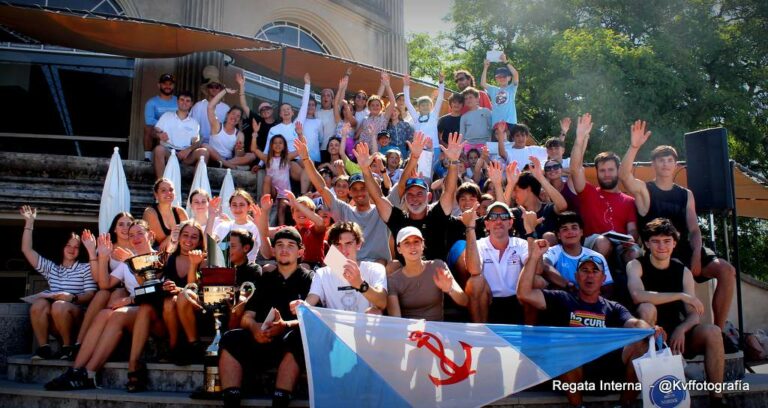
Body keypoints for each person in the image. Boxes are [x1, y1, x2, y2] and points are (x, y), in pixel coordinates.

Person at [517, 236, 659, 408]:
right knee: (564, 347)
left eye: (595, 271)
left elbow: (635, 324)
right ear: (576, 276)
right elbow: (524, 294)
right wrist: (533, 257)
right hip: (573, 373)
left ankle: (624, 405)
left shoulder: (613, 307)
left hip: (609, 374)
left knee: (642, 343)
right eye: (584, 270)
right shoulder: (562, 299)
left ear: (603, 278)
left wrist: (651, 330)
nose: (589, 275)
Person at [619, 120, 735, 330]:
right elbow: (624, 176)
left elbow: (694, 229)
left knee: (726, 270)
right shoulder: (645, 190)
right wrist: (634, 146)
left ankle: (719, 330)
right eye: (660, 160)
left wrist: (697, 253)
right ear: (653, 165)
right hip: (658, 252)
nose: (665, 164)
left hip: (684, 250)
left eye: (669, 160)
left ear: (676, 165)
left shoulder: (686, 194)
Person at [45, 221, 179, 390]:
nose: (136, 238)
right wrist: (103, 257)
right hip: (134, 313)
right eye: (131, 235)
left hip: (156, 315)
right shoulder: (127, 261)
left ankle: (89, 372)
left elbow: (155, 289)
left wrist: (130, 297)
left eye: (140, 233)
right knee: (104, 314)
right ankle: (76, 370)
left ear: (150, 235)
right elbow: (105, 284)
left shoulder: (161, 257)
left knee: (117, 314)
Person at [627, 218, 728, 407]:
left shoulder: (683, 271)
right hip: (648, 338)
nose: (661, 246)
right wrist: (681, 295)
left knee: (713, 331)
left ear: (674, 243)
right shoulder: (636, 265)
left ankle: (717, 400)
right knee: (647, 308)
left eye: (667, 241)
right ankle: (656, 364)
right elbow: (637, 296)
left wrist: (682, 329)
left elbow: (694, 313)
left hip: (676, 337)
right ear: (647, 243)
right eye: (656, 241)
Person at [217, 227, 312, 408]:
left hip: (289, 343)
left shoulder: (310, 279)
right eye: (279, 245)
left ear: (300, 252)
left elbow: (313, 319)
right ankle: (231, 400)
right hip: (262, 338)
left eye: (290, 245)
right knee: (230, 338)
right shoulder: (265, 280)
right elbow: (247, 317)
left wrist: (284, 325)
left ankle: (280, 400)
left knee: (298, 339)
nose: (284, 249)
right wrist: (255, 328)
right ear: (273, 251)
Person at [357, 132, 462, 262]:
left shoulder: (437, 215)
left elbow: (449, 191)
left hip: (436, 272)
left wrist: (453, 161)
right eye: (410, 194)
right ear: (404, 198)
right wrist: (365, 170)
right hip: (404, 273)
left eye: (419, 194)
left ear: (429, 197)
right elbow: (378, 197)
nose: (414, 198)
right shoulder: (398, 219)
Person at [127, 221, 205, 390]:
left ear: (200, 241)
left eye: (194, 237)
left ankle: (194, 345)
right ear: (179, 237)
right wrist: (135, 268)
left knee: (183, 296)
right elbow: (147, 282)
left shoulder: (203, 259)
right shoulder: (168, 258)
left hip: (194, 311)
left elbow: (194, 289)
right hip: (170, 310)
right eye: (185, 235)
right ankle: (135, 364)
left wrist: (193, 265)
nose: (188, 240)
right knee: (152, 307)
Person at [297, 135, 392, 264]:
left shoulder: (383, 210)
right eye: (355, 189)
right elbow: (322, 188)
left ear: (369, 189)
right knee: (330, 259)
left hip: (376, 267)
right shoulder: (344, 210)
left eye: (363, 188)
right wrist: (306, 158)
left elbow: (393, 189)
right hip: (348, 266)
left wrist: (414, 157)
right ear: (350, 192)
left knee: (384, 263)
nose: (359, 192)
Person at [20, 206, 97, 360]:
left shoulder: (86, 268)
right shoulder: (52, 268)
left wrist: (72, 298)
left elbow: (91, 295)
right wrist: (29, 223)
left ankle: (68, 348)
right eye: (68, 245)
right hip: (56, 321)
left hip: (76, 319)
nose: (72, 249)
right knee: (38, 304)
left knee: (59, 305)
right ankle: (44, 348)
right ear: (62, 247)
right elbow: (27, 250)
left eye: (76, 247)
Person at [569, 113, 640, 264]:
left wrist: (631, 239)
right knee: (603, 242)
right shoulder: (588, 192)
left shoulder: (629, 201)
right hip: (594, 244)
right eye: (602, 170)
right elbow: (575, 169)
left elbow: (632, 229)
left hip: (621, 245)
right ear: (597, 172)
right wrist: (579, 139)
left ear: (618, 170)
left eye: (610, 170)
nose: (607, 174)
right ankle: (599, 279)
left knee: (634, 252)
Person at [465, 202, 541, 324]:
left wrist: (530, 230)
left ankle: (529, 332)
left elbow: (538, 269)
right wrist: (470, 228)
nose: (499, 221)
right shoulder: (479, 244)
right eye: (493, 217)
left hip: (518, 300)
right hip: (488, 300)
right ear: (487, 224)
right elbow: (474, 270)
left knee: (536, 279)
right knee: (474, 282)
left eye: (504, 217)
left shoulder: (521, 244)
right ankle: (480, 331)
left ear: (510, 223)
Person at [73, 212, 135, 358]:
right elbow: (98, 279)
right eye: (121, 224)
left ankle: (103, 344)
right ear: (114, 229)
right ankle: (79, 343)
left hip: (131, 290)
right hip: (109, 286)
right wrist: (93, 252)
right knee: (102, 294)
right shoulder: (107, 246)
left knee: (116, 293)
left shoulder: (138, 244)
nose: (125, 228)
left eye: (129, 224)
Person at [291, 221, 387, 314]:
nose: (343, 249)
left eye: (348, 243)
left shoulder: (375, 269)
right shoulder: (322, 273)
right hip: (333, 325)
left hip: (365, 324)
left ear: (358, 244)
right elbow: (311, 299)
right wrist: (302, 305)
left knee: (376, 312)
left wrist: (359, 283)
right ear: (331, 247)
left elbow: (382, 302)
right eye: (337, 244)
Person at [387, 227, 470, 321]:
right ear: (399, 249)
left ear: (423, 245)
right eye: (406, 243)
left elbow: (465, 301)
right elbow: (396, 320)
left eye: (416, 241)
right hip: (408, 329)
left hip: (436, 328)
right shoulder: (393, 280)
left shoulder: (438, 266)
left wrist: (450, 289)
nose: (412, 246)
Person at [542, 212, 614, 297]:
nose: (570, 232)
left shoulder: (597, 256)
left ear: (581, 232)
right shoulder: (553, 251)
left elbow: (607, 288)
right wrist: (569, 286)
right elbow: (545, 266)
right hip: (563, 299)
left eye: (574, 228)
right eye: (565, 229)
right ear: (558, 235)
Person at [257, 192, 327, 268]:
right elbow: (264, 232)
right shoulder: (288, 230)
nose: (301, 213)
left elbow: (320, 223)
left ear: (312, 213)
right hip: (290, 266)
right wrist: (265, 210)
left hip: (313, 267)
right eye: (297, 210)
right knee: (268, 268)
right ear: (293, 215)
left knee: (303, 266)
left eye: (304, 210)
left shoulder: (315, 229)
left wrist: (296, 204)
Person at [508, 157, 567, 242]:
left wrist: (540, 177)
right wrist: (510, 184)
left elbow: (562, 206)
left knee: (549, 236)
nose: (513, 195)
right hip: (525, 250)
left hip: (549, 250)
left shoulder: (548, 209)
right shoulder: (517, 213)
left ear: (528, 189)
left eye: (516, 190)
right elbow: (500, 213)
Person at [152, 91, 208, 178]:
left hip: (185, 155)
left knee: (204, 152)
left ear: (191, 104)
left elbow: (196, 142)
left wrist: (188, 150)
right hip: (168, 151)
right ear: (177, 101)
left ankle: (196, 185)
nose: (184, 102)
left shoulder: (194, 123)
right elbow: (153, 132)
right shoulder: (166, 116)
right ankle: (161, 183)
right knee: (159, 149)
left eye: (187, 101)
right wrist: (159, 135)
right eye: (182, 100)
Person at [207, 190, 261, 263]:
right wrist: (211, 215)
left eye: (241, 205)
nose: (237, 208)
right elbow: (209, 246)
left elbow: (265, 252)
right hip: (224, 266)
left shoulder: (255, 227)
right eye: (234, 205)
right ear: (230, 207)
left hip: (247, 267)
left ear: (249, 207)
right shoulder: (222, 226)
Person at [403, 72, 444, 164]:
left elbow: (440, 98)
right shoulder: (416, 117)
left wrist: (441, 83)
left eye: (427, 105)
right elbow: (407, 102)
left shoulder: (434, 115)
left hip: (434, 148)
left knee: (432, 171)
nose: (425, 107)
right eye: (423, 105)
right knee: (421, 171)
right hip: (420, 149)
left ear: (431, 106)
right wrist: (406, 86)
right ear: (418, 107)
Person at [355, 72, 397, 153]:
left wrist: (387, 85)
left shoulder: (384, 117)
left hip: (378, 150)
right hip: (364, 150)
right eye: (372, 105)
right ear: (369, 107)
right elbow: (357, 135)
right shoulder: (365, 118)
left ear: (381, 107)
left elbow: (392, 101)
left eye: (377, 105)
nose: (375, 107)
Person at [143, 178, 189, 252]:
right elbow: (163, 246)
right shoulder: (150, 212)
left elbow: (188, 236)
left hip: (179, 252)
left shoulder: (180, 212)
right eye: (163, 190)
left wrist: (177, 234)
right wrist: (178, 232)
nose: (168, 193)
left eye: (171, 190)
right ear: (156, 194)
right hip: (158, 254)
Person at [236, 72, 277, 153]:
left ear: (272, 110)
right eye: (262, 110)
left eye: (267, 108)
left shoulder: (278, 124)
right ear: (260, 114)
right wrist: (241, 85)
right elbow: (244, 105)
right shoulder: (258, 120)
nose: (265, 110)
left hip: (273, 154)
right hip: (257, 153)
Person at [190, 65, 230, 144]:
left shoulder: (226, 108)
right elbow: (192, 127)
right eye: (211, 86)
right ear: (207, 89)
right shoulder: (198, 106)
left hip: (219, 145)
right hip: (200, 143)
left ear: (220, 89)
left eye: (217, 87)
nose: (214, 89)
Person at [205, 87, 245, 167]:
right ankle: (226, 164)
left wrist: (240, 149)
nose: (235, 117)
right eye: (233, 113)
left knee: (251, 156)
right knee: (205, 146)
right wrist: (225, 91)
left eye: (238, 116)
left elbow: (238, 156)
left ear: (239, 120)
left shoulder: (239, 134)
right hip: (212, 158)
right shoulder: (217, 125)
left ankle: (224, 163)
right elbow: (210, 107)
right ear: (227, 114)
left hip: (228, 160)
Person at [144, 73, 178, 161]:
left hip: (176, 129)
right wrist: (164, 125)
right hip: (159, 130)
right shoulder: (151, 102)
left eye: (170, 84)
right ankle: (147, 157)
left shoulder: (179, 101)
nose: (167, 86)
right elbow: (149, 120)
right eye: (164, 84)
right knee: (147, 128)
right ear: (159, 85)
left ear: (173, 86)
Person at [480, 52, 519, 127]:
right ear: (496, 79)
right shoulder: (493, 90)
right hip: (496, 124)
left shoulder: (511, 88)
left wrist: (505, 61)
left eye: (504, 76)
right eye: (499, 76)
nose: (501, 78)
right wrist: (485, 67)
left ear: (509, 78)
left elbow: (515, 74)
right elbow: (483, 83)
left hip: (510, 122)